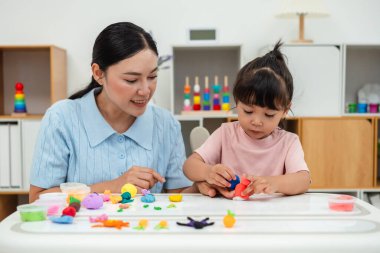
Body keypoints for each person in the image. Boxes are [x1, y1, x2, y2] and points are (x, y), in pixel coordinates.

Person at [29, 22, 198, 202]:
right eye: (131, 80)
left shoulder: (166, 124)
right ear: (98, 73)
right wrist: (112, 186)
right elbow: (38, 199)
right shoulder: (61, 118)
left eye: (152, 77)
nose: (145, 90)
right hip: (81, 230)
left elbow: (180, 197)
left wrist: (203, 187)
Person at [183, 41, 311, 198]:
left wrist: (274, 183)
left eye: (269, 114)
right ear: (237, 102)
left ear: (284, 110)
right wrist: (208, 172)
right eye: (248, 111)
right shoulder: (225, 134)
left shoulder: (288, 142)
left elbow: (304, 180)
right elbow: (189, 166)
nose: (257, 121)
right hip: (228, 216)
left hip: (270, 218)